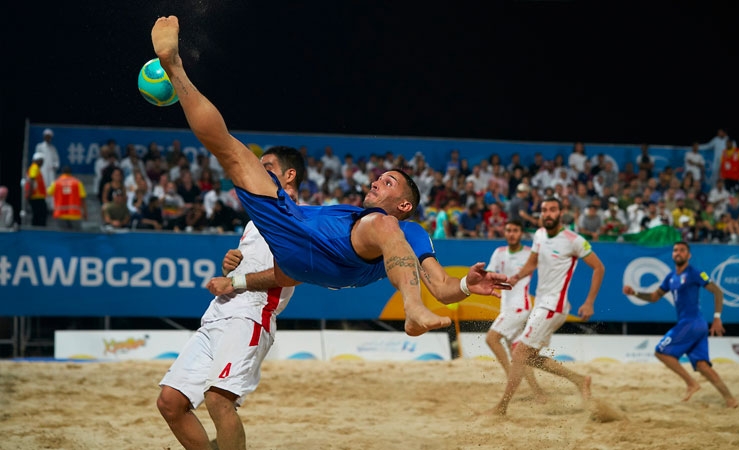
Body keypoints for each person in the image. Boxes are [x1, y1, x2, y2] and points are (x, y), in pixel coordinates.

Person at [150, 16, 510, 337]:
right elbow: (288, 275)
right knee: (229, 150)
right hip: (295, 239)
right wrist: (237, 280)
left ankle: (413, 310)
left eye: (388, 182)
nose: (375, 182)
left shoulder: (408, 231)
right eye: (378, 178)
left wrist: (466, 284)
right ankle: (175, 67)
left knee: (385, 227)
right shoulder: (340, 214)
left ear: (404, 203)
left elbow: (444, 288)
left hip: (347, 254)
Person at [157, 146, 302, 450]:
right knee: (170, 402)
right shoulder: (255, 220)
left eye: (268, 167)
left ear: (290, 176)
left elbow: (290, 274)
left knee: (218, 400)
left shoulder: (298, 218)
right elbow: (249, 266)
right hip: (218, 314)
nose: (258, 172)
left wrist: (233, 280)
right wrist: (233, 262)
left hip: (252, 315)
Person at [488, 197, 605, 415]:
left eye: (552, 210)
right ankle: (580, 380)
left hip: (554, 306)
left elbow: (599, 268)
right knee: (528, 356)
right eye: (544, 210)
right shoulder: (540, 234)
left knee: (519, 353)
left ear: (561, 213)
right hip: (541, 305)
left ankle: (501, 408)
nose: (548, 213)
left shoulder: (574, 240)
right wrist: (516, 277)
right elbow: (532, 262)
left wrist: (589, 302)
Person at [622, 242, 739, 409]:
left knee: (660, 351)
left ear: (689, 255)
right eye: (675, 250)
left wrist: (717, 317)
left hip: (691, 323)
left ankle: (691, 383)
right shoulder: (670, 277)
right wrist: (635, 293)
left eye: (682, 250)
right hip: (696, 326)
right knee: (702, 366)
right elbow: (655, 297)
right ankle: (730, 400)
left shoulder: (695, 273)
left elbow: (718, 291)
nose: (678, 253)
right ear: (672, 255)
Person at [485, 219, 546, 403]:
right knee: (519, 354)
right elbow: (489, 275)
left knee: (492, 338)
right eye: (509, 230)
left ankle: (512, 378)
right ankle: (539, 393)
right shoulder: (499, 253)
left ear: (521, 233)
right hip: (507, 306)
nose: (511, 233)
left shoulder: (530, 254)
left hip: (520, 306)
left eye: (515, 230)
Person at [46, 166, 88, 230]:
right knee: (75, 237)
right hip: (74, 214)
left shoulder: (56, 183)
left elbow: (48, 193)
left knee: (63, 237)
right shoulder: (77, 183)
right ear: (71, 173)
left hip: (60, 214)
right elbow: (82, 198)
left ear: (62, 173)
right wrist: (85, 212)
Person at [35, 128, 60, 209]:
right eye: (46, 136)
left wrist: (55, 166)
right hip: (42, 171)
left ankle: (51, 207)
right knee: (43, 187)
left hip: (51, 172)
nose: (48, 138)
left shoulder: (53, 148)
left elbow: (56, 160)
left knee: (51, 187)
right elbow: (37, 158)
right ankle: (44, 206)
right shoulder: (39, 146)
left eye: (49, 137)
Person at [25, 152, 48, 227]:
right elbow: (32, 181)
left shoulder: (35, 168)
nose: (42, 163)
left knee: (38, 215)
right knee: (39, 215)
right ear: (38, 160)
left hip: (37, 196)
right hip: (36, 196)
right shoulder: (34, 167)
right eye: (42, 161)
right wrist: (29, 194)